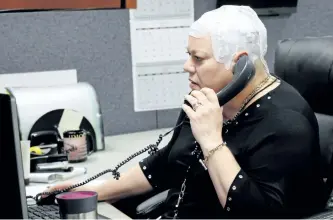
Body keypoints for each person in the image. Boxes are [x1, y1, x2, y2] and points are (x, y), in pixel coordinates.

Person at [46, 5, 327, 219]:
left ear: (239, 64)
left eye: (198, 58)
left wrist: (212, 142)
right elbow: (164, 166)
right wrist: (87, 191)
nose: (186, 66)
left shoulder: (285, 124)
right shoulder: (207, 99)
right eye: (188, 54)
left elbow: (254, 213)